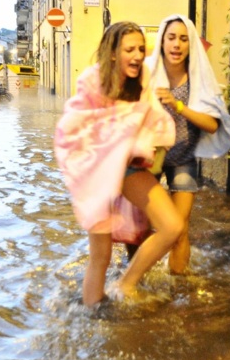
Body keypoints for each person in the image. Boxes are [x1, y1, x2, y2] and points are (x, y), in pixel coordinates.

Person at [54, 21, 184, 305]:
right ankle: (93, 316)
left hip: (128, 167)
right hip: (96, 171)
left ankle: (125, 284)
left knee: (172, 226)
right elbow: (74, 127)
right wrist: (112, 142)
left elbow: (151, 116)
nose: (137, 56)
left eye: (141, 49)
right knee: (100, 257)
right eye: (130, 50)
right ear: (113, 53)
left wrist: (149, 138)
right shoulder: (93, 80)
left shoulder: (143, 78)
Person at [146, 14, 230, 274]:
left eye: (184, 39)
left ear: (190, 44)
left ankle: (178, 285)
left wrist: (178, 106)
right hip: (150, 158)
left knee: (179, 227)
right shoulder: (148, 74)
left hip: (183, 158)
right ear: (162, 41)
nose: (177, 44)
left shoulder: (198, 77)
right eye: (172, 38)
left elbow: (212, 125)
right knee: (141, 224)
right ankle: (139, 276)